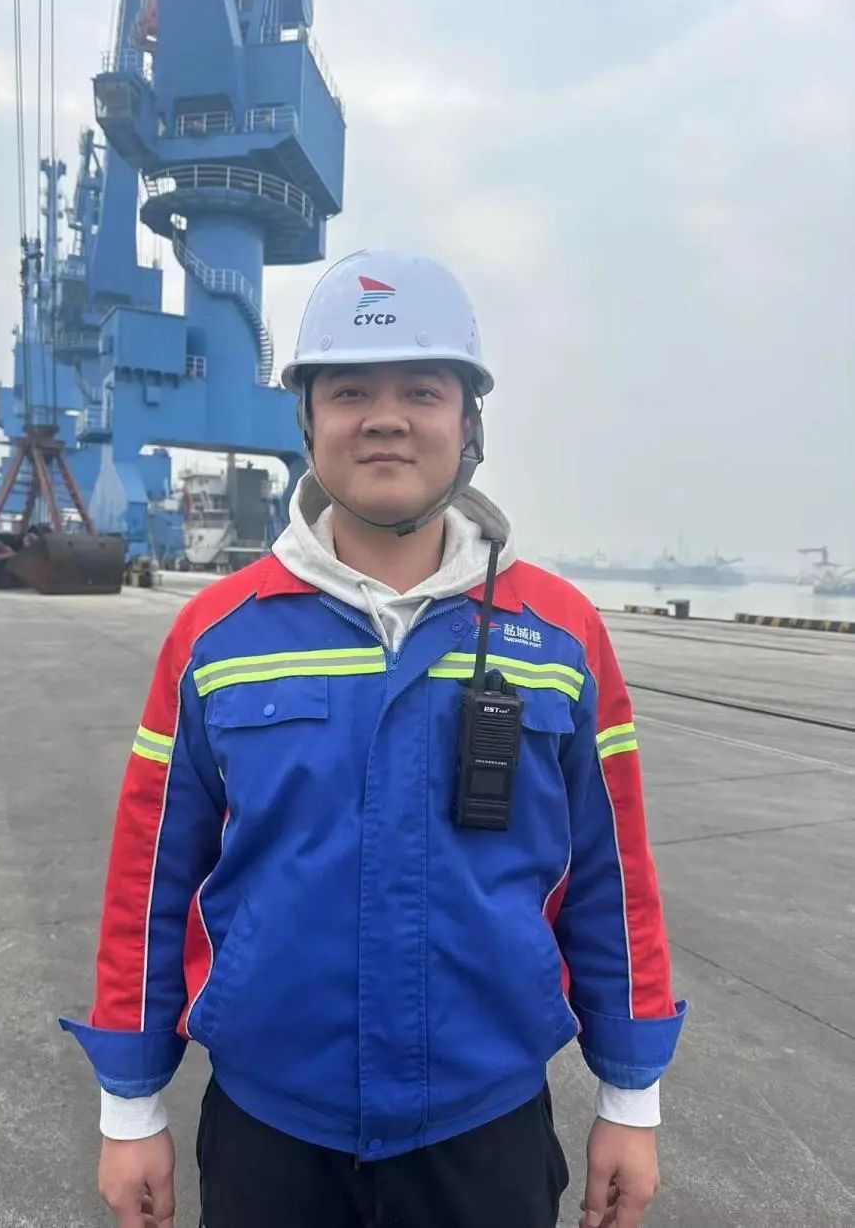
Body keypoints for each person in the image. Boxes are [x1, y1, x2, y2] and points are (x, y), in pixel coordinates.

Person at [61, 250, 686, 1228]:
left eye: (422, 391)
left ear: (469, 422)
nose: (385, 418)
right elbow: (151, 879)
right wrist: (129, 1107)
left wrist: (631, 1099)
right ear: (307, 421)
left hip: (485, 1133)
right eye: (349, 391)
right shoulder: (217, 638)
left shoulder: (561, 636)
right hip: (272, 1135)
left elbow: (614, 877)